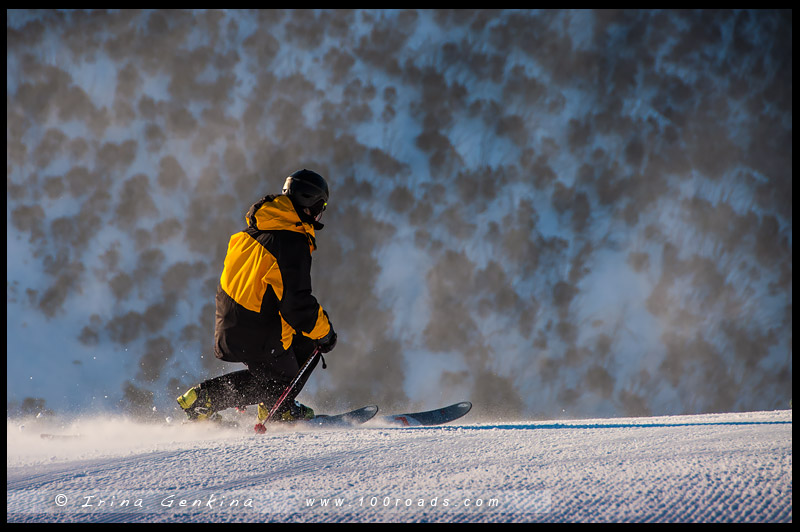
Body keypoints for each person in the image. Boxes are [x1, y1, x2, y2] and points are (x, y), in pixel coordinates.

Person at [177, 169, 337, 424]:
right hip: (256, 329)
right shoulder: (291, 242)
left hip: (235, 323)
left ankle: (250, 403)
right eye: (321, 207)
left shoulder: (252, 232)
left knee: (300, 350)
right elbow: (297, 305)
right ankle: (207, 399)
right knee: (287, 375)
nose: (320, 214)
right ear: (311, 204)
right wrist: (326, 333)